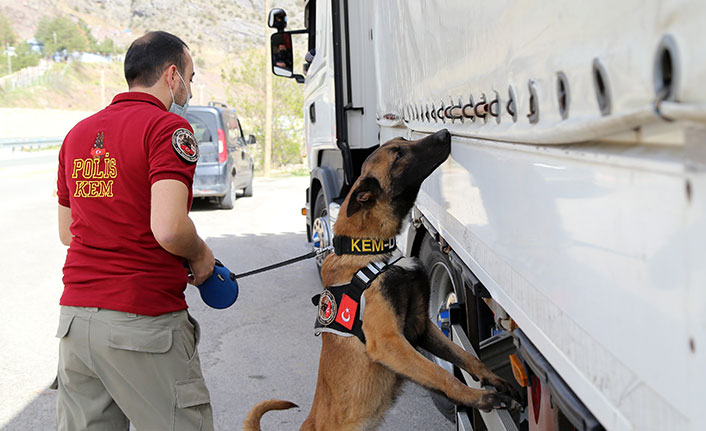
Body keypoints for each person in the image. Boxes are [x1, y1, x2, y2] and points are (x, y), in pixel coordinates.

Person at [55, 31, 215, 431]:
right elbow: (169, 227)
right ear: (172, 75)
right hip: (142, 323)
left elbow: (67, 233)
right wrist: (199, 255)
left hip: (76, 324)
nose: (190, 90)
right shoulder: (167, 130)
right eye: (190, 79)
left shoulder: (77, 135)